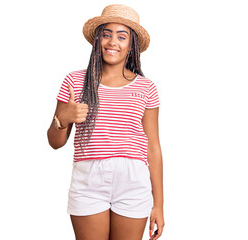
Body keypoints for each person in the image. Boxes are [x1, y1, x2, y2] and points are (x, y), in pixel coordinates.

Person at [47, 4, 164, 240]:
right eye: (106, 34)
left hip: (133, 181)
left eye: (122, 36)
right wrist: (64, 119)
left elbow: (153, 147)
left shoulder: (146, 87)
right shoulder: (75, 81)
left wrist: (159, 205)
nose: (113, 42)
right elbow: (54, 142)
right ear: (97, 39)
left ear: (132, 46)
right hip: (89, 180)